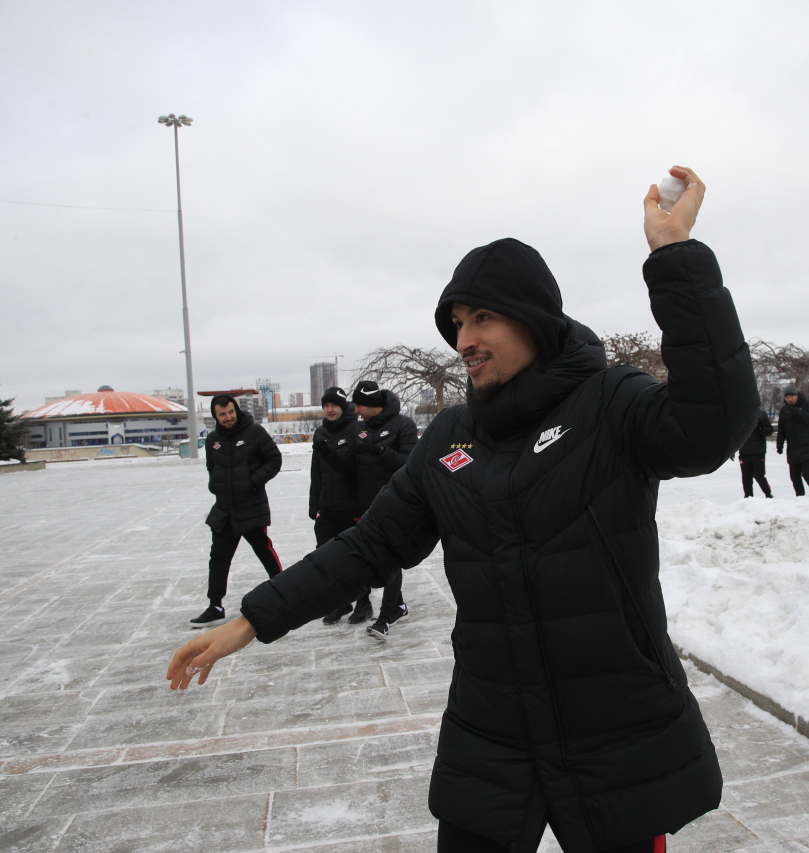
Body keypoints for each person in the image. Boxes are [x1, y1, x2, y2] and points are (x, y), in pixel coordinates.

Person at [168, 166, 759, 853]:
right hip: (493, 728)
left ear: (535, 320)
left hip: (613, 725)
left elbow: (715, 421)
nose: (464, 339)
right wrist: (254, 617)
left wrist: (674, 257)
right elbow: (368, 546)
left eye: (482, 316)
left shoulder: (610, 403)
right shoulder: (451, 436)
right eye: (456, 321)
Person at [190, 394, 283, 626]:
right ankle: (215, 605)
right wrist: (216, 485)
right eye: (222, 414)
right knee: (219, 557)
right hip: (224, 509)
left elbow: (274, 459)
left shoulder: (254, 433)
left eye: (231, 412)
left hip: (250, 505)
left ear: (237, 411)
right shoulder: (213, 440)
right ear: (216, 416)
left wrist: (253, 481)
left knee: (264, 550)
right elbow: (211, 468)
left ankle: (284, 593)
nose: (228, 417)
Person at [348, 379, 418, 640]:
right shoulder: (358, 428)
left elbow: (410, 463)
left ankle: (389, 612)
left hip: (395, 502)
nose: (356, 410)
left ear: (371, 404)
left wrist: (379, 451)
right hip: (365, 504)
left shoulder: (404, 425)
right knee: (375, 557)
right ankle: (396, 605)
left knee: (389, 556)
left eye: (359, 405)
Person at [309, 386, 373, 624]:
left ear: (343, 406)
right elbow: (317, 473)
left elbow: (360, 471)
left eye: (333, 405)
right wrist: (314, 505)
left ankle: (363, 602)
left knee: (355, 558)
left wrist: (363, 507)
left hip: (351, 507)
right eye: (325, 405)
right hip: (326, 507)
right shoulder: (320, 432)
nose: (329, 409)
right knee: (326, 558)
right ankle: (340, 602)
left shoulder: (357, 429)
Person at [775, 385, 809, 496]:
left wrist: (797, 411)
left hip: (808, 447)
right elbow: (781, 429)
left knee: (806, 473)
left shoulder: (808, 405)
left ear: (797, 396)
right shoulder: (784, 410)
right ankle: (800, 496)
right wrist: (779, 444)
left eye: (792, 397)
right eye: (787, 398)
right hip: (793, 448)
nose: (790, 400)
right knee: (794, 476)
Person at [737, 409, 774, 498]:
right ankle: (748, 497)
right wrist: (732, 449)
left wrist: (761, 428)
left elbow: (769, 430)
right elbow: (735, 433)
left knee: (759, 475)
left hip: (758, 451)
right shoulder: (739, 415)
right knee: (746, 477)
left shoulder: (760, 414)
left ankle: (768, 494)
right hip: (744, 452)